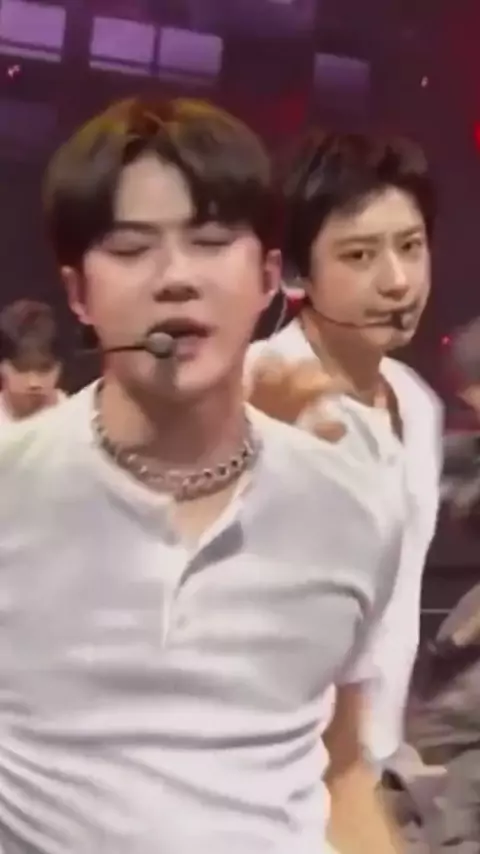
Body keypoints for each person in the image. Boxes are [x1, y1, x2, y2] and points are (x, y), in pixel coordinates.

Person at [0, 98, 405, 854]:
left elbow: (344, 769)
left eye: (213, 241)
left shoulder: (353, 504)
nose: (176, 277)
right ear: (79, 294)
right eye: (130, 248)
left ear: (268, 279)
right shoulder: (12, 490)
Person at [246, 130, 444, 851]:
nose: (398, 281)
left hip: (367, 770)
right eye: (360, 256)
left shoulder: (416, 403)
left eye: (411, 247)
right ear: (298, 272)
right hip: (265, 787)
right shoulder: (258, 394)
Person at [0, 299, 65, 422]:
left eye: (45, 369)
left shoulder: (79, 420)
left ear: (59, 367)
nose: (34, 383)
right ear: (2, 366)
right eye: (22, 369)